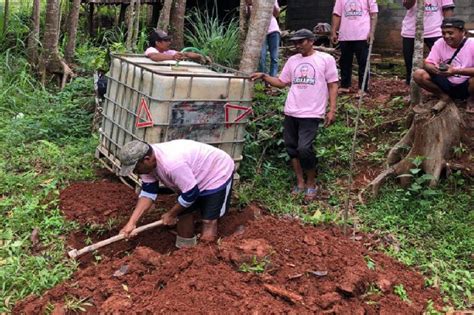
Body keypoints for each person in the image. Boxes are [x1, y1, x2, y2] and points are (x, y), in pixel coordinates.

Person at [250, 29, 338, 202]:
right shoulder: (292, 60)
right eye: (295, 42)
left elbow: (333, 84)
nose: (297, 45)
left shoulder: (325, 59)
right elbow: (282, 83)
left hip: (312, 112)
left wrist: (332, 109)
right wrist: (264, 76)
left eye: (301, 42)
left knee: (304, 148)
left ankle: (311, 183)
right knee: (291, 148)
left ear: (311, 41)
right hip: (292, 110)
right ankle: (300, 182)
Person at [118, 139, 234, 248]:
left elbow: (191, 194)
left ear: (147, 159)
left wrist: (171, 214)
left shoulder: (172, 164)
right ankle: (185, 250)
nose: (135, 172)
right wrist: (131, 223)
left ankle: (206, 255)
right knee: (183, 213)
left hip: (216, 173)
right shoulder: (146, 164)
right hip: (191, 178)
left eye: (135, 168)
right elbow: (148, 193)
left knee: (209, 220)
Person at [413, 18, 474, 112]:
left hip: (466, 85)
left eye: (450, 33)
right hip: (446, 83)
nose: (446, 36)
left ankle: (471, 99)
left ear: (462, 32)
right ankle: (444, 97)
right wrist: (436, 69)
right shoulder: (439, 43)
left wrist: (455, 71)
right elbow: (428, 63)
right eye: (444, 33)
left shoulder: (472, 44)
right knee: (418, 74)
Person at [401, 0, 454, 85]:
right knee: (409, 62)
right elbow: (407, 5)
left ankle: (444, 86)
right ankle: (412, 88)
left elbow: (448, 9)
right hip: (411, 31)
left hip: (435, 30)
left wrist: (446, 28)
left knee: (442, 60)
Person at [331, 0, 378, 94]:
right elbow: (337, 14)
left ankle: (363, 88)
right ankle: (345, 85)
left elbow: (374, 14)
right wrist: (333, 31)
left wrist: (371, 32)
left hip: (362, 34)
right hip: (345, 34)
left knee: (363, 61)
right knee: (344, 62)